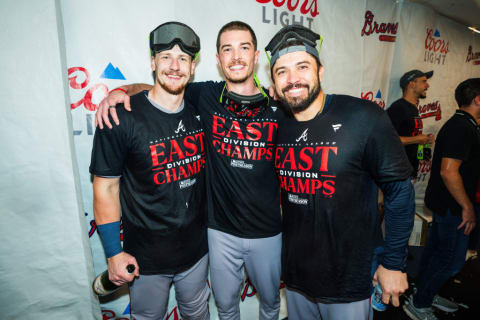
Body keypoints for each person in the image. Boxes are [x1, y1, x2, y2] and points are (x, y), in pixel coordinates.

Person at [95, 21, 283, 320]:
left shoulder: (277, 105)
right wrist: (119, 90)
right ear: (218, 60)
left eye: (183, 58)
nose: (174, 65)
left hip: (215, 246)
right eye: (227, 49)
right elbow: (160, 92)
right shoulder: (201, 98)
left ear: (256, 56)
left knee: (234, 309)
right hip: (180, 246)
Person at [266, 25, 415, 320]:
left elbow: (400, 192)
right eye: (281, 71)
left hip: (349, 280)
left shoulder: (363, 117)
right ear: (273, 82)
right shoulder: (277, 123)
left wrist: (394, 263)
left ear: (320, 71)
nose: (292, 79)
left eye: (302, 67)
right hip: (296, 278)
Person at [90, 22, 209, 320]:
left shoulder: (200, 109)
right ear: (152, 62)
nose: (174, 65)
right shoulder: (120, 116)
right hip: (145, 258)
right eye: (166, 56)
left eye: (183, 59)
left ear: (193, 68)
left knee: (197, 313)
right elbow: (105, 188)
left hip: (196, 252)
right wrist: (113, 254)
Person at [404, 78, 480, 320]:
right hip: (453, 207)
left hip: (447, 205)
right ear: (478, 99)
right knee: (451, 261)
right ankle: (419, 302)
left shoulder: (465, 124)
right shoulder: (461, 127)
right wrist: (467, 206)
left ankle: (425, 292)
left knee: (437, 253)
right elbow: (448, 171)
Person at [387, 70, 435, 179]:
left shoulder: (412, 109)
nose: (427, 85)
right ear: (412, 84)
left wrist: (424, 143)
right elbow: (387, 139)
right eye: (423, 81)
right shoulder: (398, 108)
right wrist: (417, 139)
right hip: (397, 174)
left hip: (408, 172)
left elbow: (411, 139)